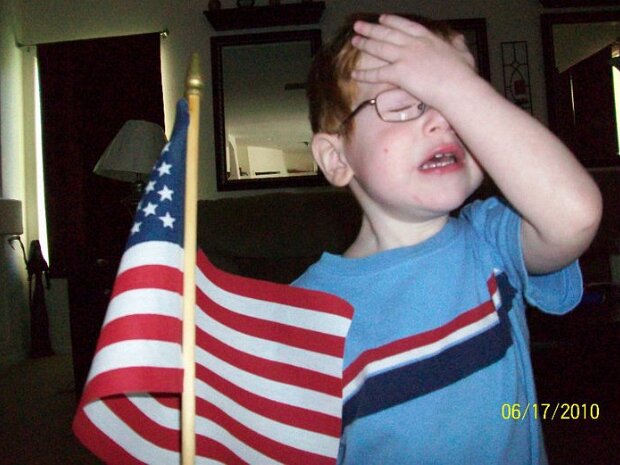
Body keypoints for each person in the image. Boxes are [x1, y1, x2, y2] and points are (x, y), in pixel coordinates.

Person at [293, 12, 602, 465]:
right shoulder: (303, 319)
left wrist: (458, 87)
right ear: (337, 158)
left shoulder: (490, 239)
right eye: (404, 103)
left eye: (456, 100)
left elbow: (574, 216)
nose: (444, 120)